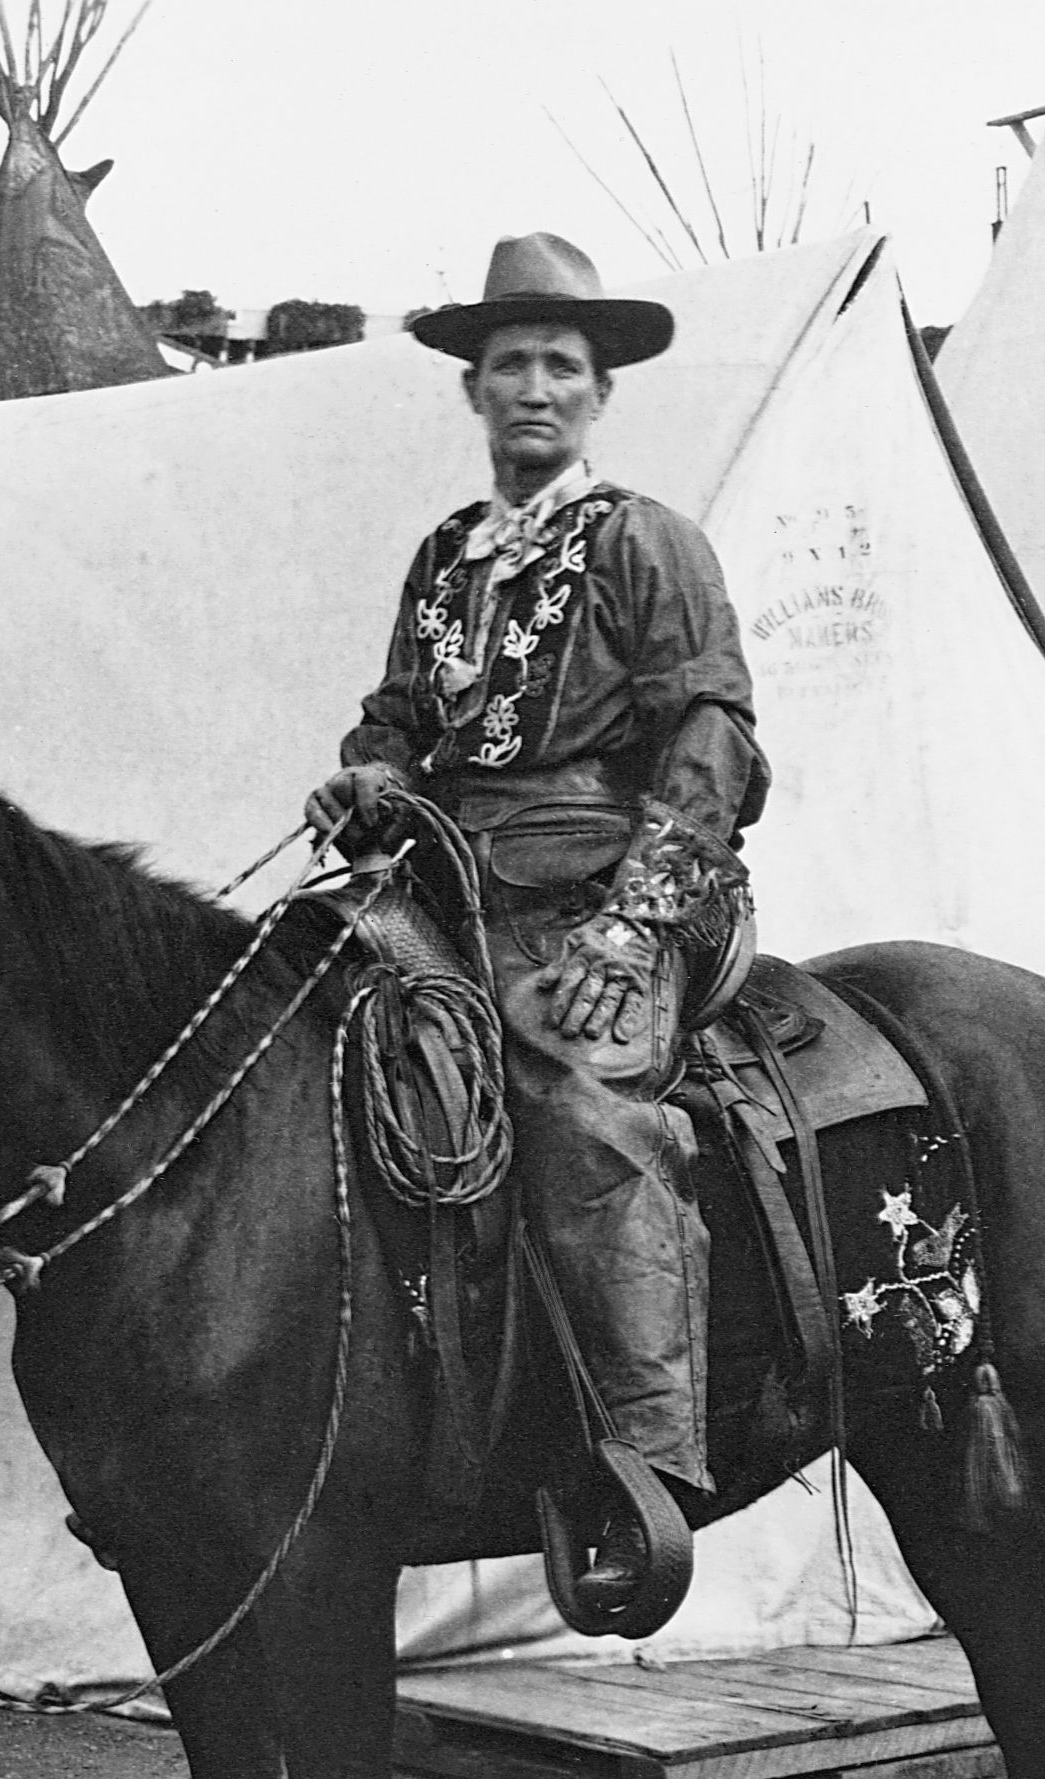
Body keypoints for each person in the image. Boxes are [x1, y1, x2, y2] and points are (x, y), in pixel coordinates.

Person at [308, 231, 769, 1598]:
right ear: (472, 390)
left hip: (602, 891)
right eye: (508, 363)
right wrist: (369, 774)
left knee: (579, 1109)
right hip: (441, 886)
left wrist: (630, 929)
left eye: (560, 365)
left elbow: (713, 737)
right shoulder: (446, 556)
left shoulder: (645, 543)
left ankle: (647, 1456)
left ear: (597, 392)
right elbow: (397, 713)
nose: (533, 387)